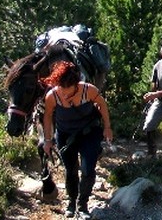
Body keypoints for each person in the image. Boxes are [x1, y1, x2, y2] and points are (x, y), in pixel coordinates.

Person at [42, 61, 112, 218]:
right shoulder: (52, 96)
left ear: (76, 84)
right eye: (62, 90)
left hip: (89, 133)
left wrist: (107, 128)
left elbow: (102, 104)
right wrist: (47, 140)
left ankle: (83, 204)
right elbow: (47, 116)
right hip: (65, 136)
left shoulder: (89, 90)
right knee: (70, 170)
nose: (65, 94)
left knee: (88, 169)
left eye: (69, 91)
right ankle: (72, 202)